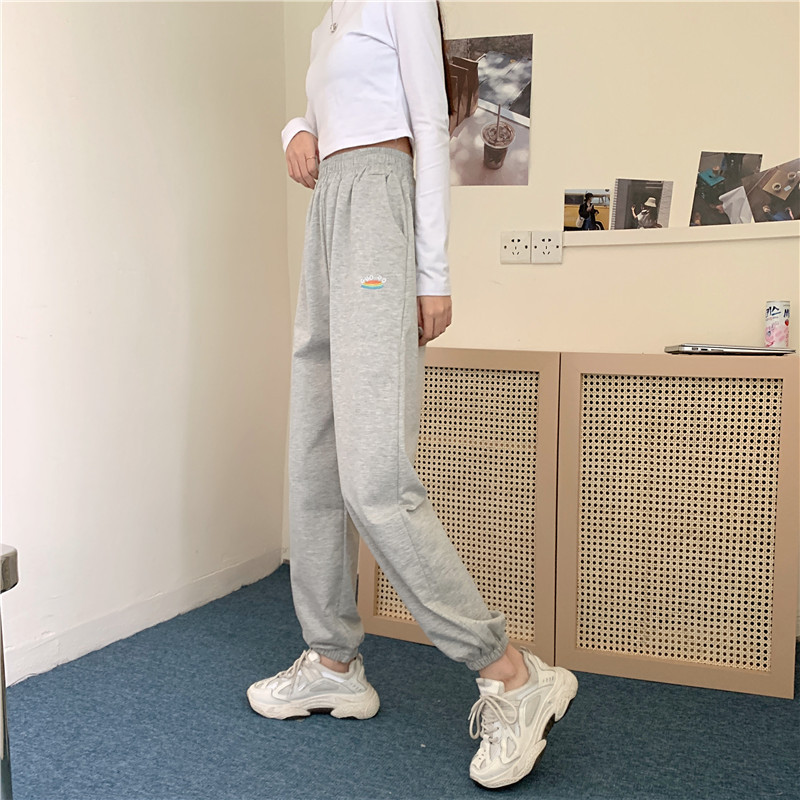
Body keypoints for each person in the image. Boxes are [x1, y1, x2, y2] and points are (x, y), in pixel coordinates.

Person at [246, 0, 578, 790]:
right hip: (328, 212)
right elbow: (322, 114)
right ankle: (332, 660)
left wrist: (434, 274)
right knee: (314, 460)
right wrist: (292, 128)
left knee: (374, 480)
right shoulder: (327, 23)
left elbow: (429, 126)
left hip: (378, 203)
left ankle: (511, 674)